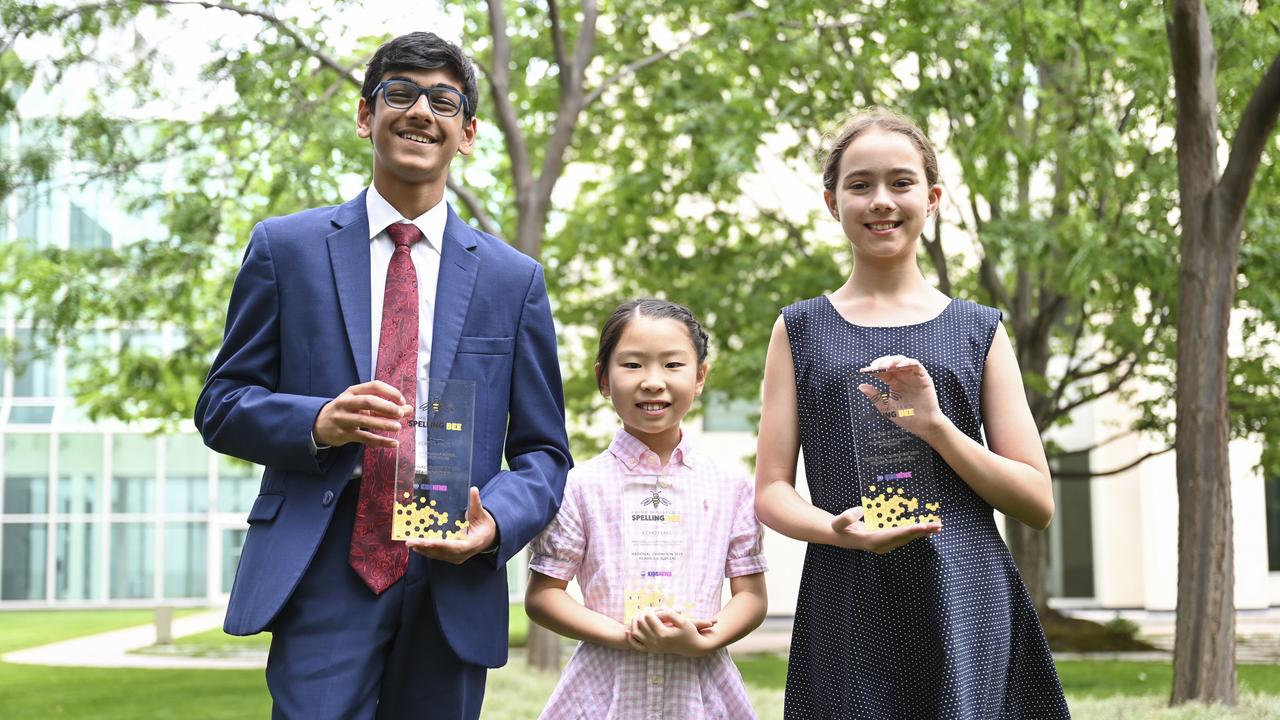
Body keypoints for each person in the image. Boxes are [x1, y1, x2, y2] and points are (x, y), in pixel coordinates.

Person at [194, 31, 571, 720]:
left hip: (450, 568)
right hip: (325, 566)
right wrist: (316, 421)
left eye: (443, 100)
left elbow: (546, 453)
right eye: (400, 93)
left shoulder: (514, 281)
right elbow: (221, 405)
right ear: (367, 116)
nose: (420, 111)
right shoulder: (286, 249)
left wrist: (493, 527)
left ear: (468, 133)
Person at [755, 109, 1069, 718]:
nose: (881, 202)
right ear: (831, 200)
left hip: (965, 590)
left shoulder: (978, 330)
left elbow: (1037, 501)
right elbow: (771, 489)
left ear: (932, 198)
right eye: (860, 184)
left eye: (900, 183)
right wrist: (837, 530)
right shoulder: (799, 329)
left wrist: (936, 427)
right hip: (847, 591)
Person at [525, 299, 769, 719]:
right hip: (604, 691)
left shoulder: (730, 486)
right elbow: (544, 596)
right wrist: (626, 636)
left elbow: (751, 597)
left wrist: (706, 640)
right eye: (633, 365)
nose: (653, 382)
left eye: (673, 365)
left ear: (700, 377)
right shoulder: (578, 486)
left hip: (701, 692)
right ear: (603, 378)